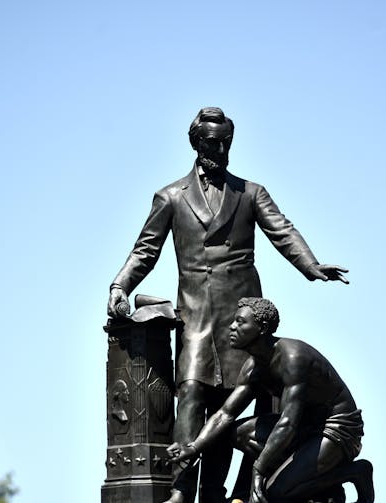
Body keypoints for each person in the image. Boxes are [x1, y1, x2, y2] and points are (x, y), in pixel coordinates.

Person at [107, 107, 349, 503]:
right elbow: (146, 249)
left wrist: (311, 265)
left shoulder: (250, 192)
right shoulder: (171, 197)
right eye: (212, 142)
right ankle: (182, 490)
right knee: (191, 395)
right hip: (197, 316)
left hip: (243, 316)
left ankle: (224, 493)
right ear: (196, 143)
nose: (220, 149)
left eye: (226, 142)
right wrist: (120, 285)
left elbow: (282, 230)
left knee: (236, 403)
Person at [167, 298, 374, 503]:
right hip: (304, 427)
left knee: (275, 494)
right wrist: (193, 447)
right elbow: (225, 414)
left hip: (336, 430)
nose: (231, 327)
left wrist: (258, 469)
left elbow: (287, 423)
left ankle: (354, 472)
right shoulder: (253, 366)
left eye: (240, 322)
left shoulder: (292, 357)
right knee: (237, 433)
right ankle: (301, 474)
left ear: (262, 328)